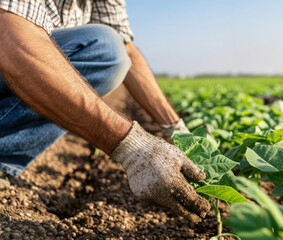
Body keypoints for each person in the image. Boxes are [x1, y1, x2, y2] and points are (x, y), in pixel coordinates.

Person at [0, 0, 210, 222]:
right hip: (11, 45)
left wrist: (175, 128)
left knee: (107, 50)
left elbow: (126, 48)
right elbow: (11, 34)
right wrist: (132, 146)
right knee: (105, 48)